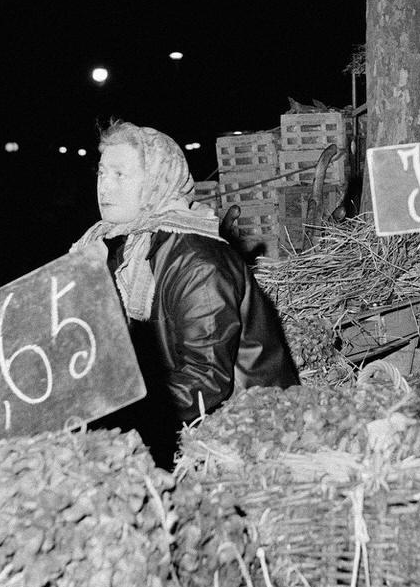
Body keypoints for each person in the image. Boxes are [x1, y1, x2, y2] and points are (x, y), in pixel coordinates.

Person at [72, 120, 299, 468]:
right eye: (102, 173)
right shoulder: (132, 249)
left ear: (157, 182)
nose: (105, 187)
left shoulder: (196, 261)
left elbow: (205, 381)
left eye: (121, 175)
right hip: (191, 417)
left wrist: (119, 419)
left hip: (248, 426)